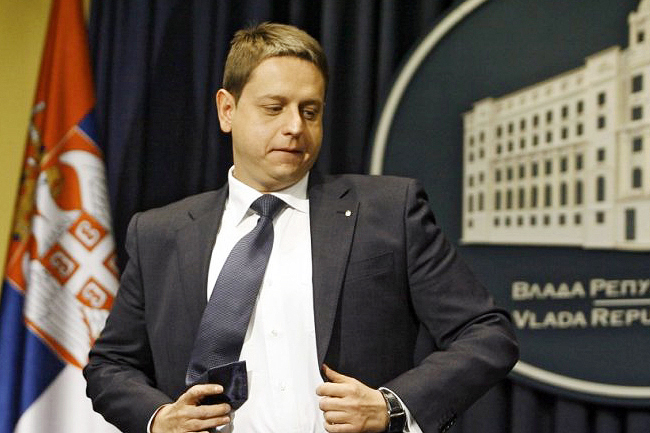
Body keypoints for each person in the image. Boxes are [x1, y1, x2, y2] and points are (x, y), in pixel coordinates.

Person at [84, 22, 518, 433]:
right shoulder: (160, 233)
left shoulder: (388, 212)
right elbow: (110, 365)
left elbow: (486, 334)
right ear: (227, 110)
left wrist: (391, 405)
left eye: (310, 111)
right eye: (274, 108)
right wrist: (160, 418)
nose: (295, 127)